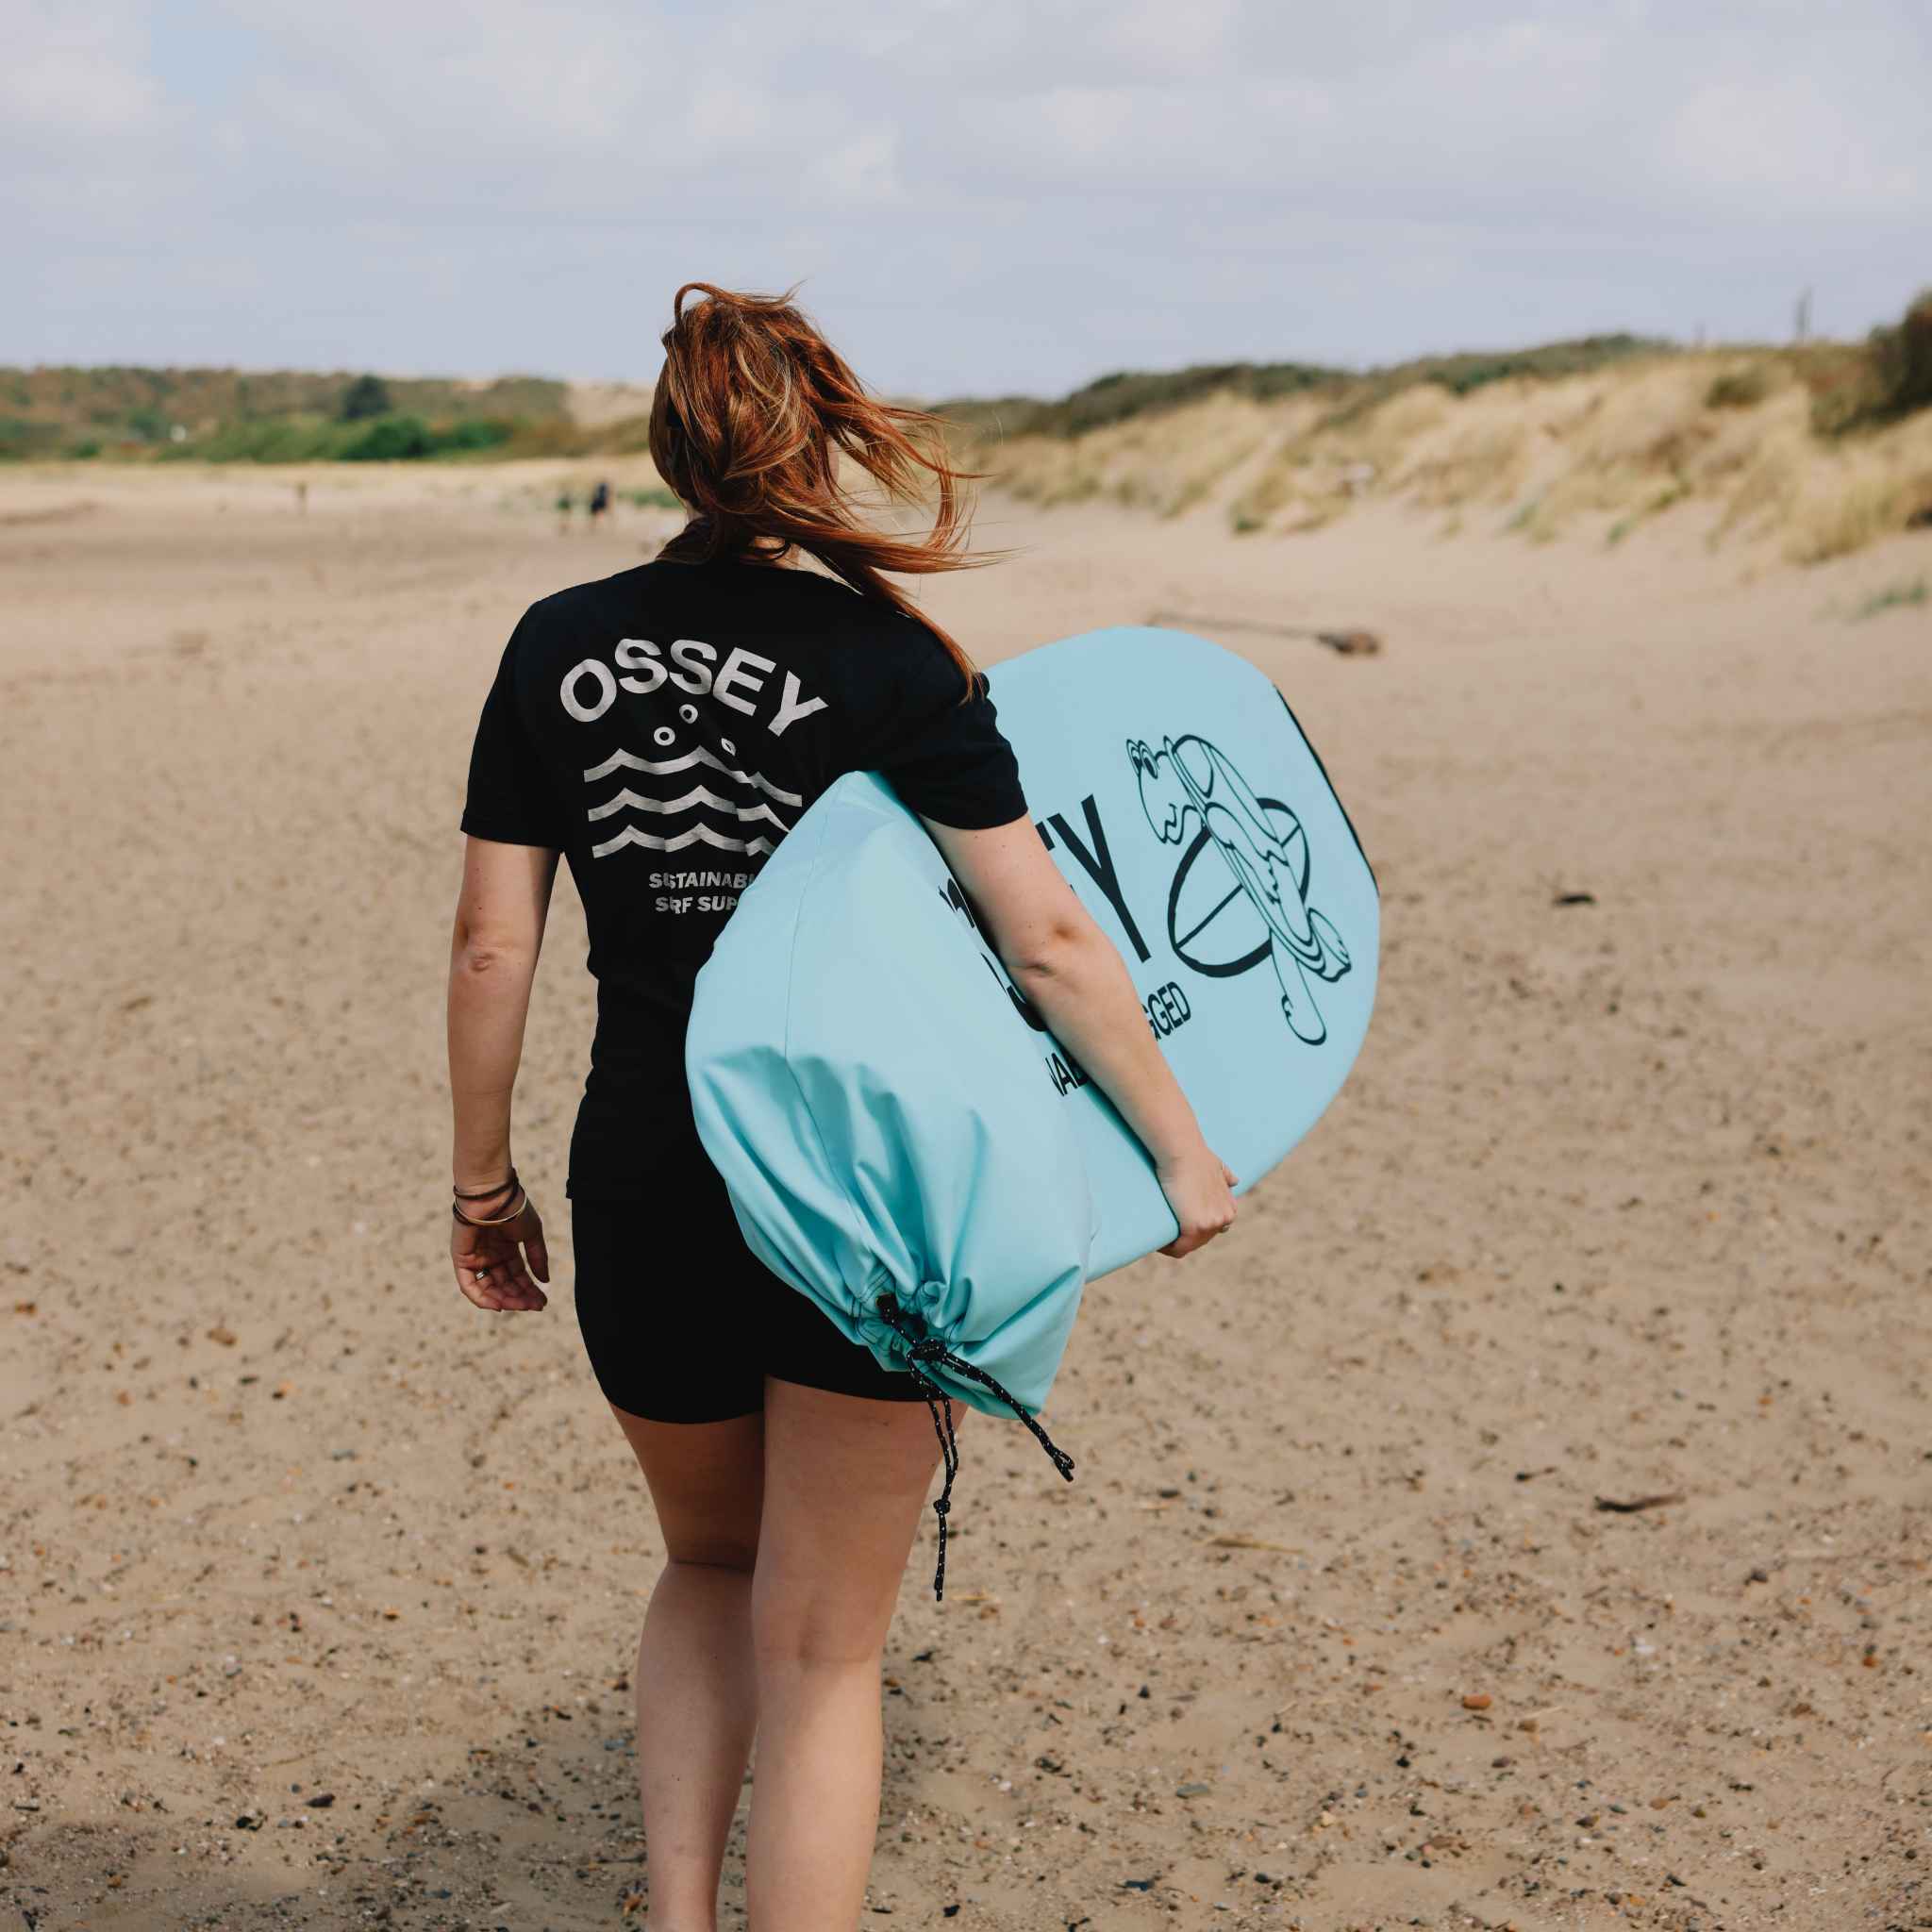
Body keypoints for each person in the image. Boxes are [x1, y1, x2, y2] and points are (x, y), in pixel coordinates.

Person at [444, 282, 1237, 1932]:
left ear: (670, 451)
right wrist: (1181, 1151)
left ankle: (677, 1918)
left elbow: (491, 947)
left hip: (649, 1167)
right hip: (869, 1191)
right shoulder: (894, 660)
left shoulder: (554, 643)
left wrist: (481, 1186)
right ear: (819, 444)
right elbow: (1049, 937)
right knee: (823, 1651)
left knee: (705, 1566)